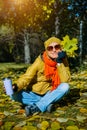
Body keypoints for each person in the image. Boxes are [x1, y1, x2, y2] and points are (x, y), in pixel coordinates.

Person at [9, 37, 71, 116]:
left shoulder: (62, 59)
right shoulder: (39, 61)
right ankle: (46, 103)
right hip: (33, 93)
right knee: (12, 94)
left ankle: (37, 107)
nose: (54, 50)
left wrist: (59, 63)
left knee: (65, 87)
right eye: (50, 48)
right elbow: (26, 77)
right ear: (46, 50)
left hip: (49, 92)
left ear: (60, 48)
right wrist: (16, 86)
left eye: (57, 47)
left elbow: (65, 80)